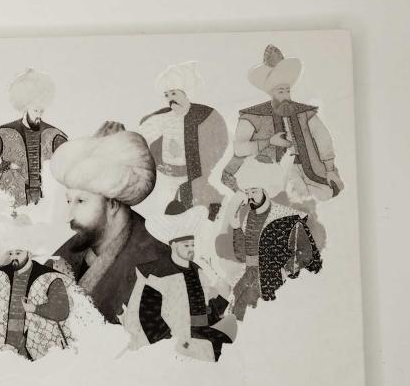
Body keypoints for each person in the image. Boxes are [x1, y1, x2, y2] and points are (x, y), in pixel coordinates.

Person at [50, 121, 166, 324]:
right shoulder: (64, 256)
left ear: (112, 205)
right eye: (69, 201)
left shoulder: (161, 266)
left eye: (81, 201)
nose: (68, 216)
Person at [222, 45, 344, 202]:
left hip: (311, 168)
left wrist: (330, 170)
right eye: (281, 92)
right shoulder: (252, 116)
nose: (286, 96)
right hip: (273, 173)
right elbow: (240, 149)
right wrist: (269, 141)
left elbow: (323, 138)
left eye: (288, 91)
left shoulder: (305, 113)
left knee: (326, 195)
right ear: (271, 93)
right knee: (292, 198)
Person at [123, 201, 236, 361]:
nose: (191, 249)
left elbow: (205, 310)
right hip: (171, 345)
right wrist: (174, 342)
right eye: (186, 245)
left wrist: (221, 299)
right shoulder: (156, 275)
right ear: (174, 245)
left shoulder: (198, 272)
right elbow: (148, 319)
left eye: (192, 245)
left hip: (200, 337)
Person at [221, 156, 322, 320]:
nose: (250, 197)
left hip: (273, 283)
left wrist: (284, 271)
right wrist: (237, 227)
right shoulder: (249, 217)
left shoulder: (287, 218)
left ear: (266, 190)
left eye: (254, 191)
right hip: (249, 279)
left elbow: (305, 253)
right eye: (247, 192)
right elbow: (242, 256)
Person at [0, 217, 73, 360]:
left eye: (18, 253)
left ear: (29, 253)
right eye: (11, 253)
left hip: (37, 351)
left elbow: (62, 310)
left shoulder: (49, 277)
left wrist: (34, 308)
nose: (14, 258)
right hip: (1, 349)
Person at [139, 61, 228, 218]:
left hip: (199, 176)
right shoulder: (161, 117)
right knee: (169, 212)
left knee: (202, 210)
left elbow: (220, 142)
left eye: (174, 93)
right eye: (167, 95)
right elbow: (144, 137)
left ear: (187, 92)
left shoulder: (206, 115)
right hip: (168, 177)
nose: (170, 99)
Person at [0, 68, 67, 208]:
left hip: (46, 204)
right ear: (25, 108)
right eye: (35, 110)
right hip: (10, 203)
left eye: (41, 111)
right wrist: (7, 166)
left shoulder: (55, 136)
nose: (38, 115)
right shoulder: (2, 134)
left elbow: (68, 168)